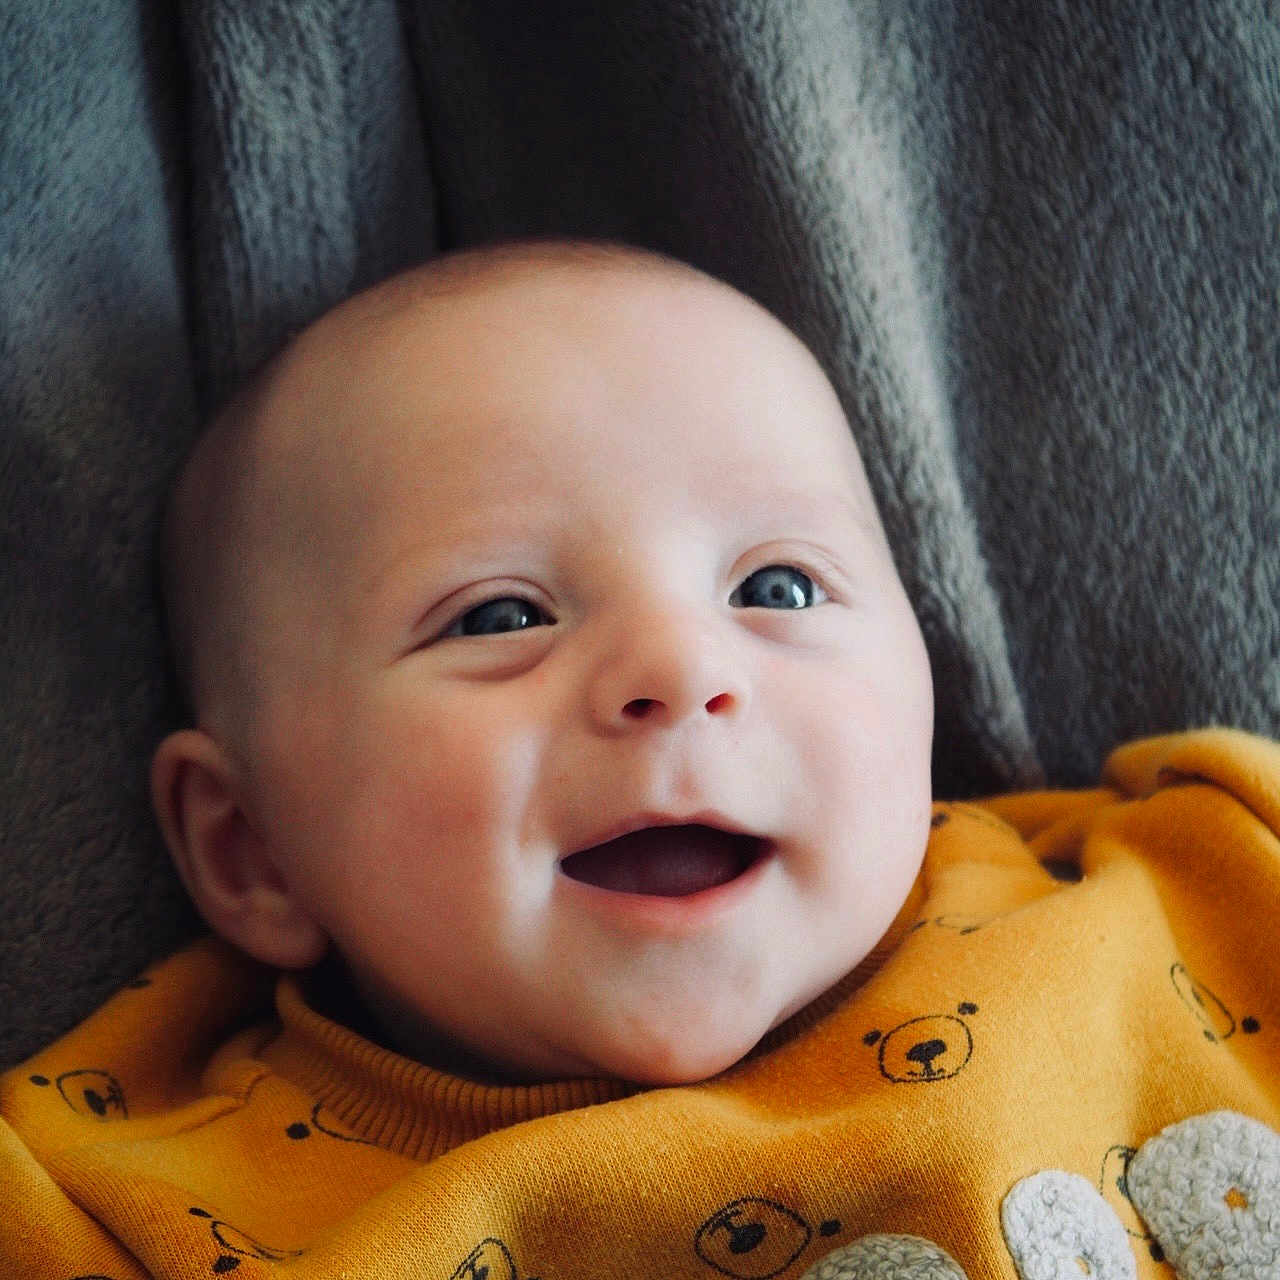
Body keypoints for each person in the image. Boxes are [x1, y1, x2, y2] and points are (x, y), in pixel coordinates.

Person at [1, 240, 1276, 1280]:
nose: (676, 668)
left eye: (776, 584)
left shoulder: (1199, 872)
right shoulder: (131, 1207)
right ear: (251, 847)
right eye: (502, 617)